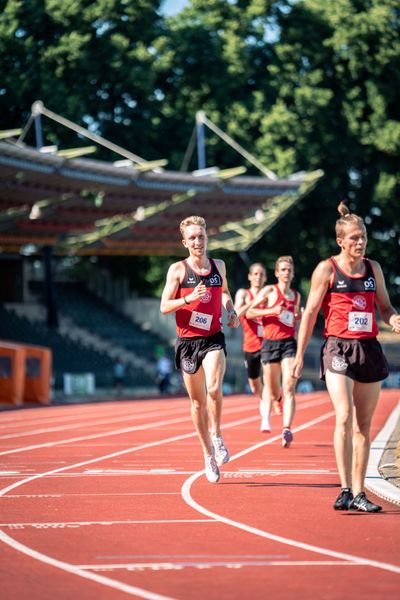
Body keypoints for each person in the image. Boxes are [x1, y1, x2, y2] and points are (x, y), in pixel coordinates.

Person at [292, 201, 400, 512]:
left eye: (363, 236)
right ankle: (343, 488)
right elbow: (311, 313)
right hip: (338, 347)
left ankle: (359, 492)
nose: (360, 242)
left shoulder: (373, 269)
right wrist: (299, 356)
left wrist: (393, 318)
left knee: (363, 427)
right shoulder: (327, 269)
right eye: (354, 238)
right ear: (340, 240)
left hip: (368, 348)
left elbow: (385, 306)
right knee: (343, 415)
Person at [160, 216, 240, 483]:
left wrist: (231, 309)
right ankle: (207, 453)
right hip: (187, 343)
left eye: (201, 236)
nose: (197, 241)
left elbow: (226, 292)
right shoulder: (178, 270)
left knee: (214, 388)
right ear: (185, 242)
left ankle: (217, 435)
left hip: (213, 337)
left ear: (207, 238)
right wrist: (187, 298)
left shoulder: (219, 265)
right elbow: (164, 306)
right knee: (197, 402)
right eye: (192, 238)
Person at [247, 256, 301, 447]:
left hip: (288, 343)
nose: (286, 273)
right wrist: (271, 311)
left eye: (289, 270)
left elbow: (293, 320)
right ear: (277, 273)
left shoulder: (296, 296)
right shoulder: (270, 290)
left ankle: (286, 429)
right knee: (271, 389)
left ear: (292, 273)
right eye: (283, 270)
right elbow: (250, 313)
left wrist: (297, 316)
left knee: (289, 387)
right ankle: (277, 399)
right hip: (269, 344)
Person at [234, 263, 267, 414]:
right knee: (254, 385)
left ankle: (268, 407)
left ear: (265, 278)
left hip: (269, 343)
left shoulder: (270, 293)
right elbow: (237, 313)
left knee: (269, 377)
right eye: (255, 274)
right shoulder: (243, 293)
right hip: (250, 344)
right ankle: (263, 399)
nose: (258, 277)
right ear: (249, 276)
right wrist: (255, 301)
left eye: (261, 274)